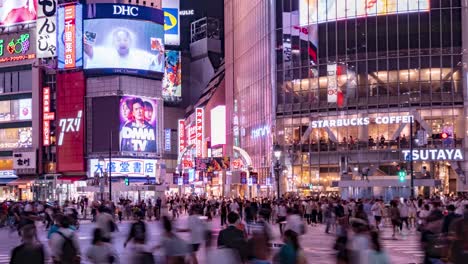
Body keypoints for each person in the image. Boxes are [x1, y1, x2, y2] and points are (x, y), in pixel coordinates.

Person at [84, 28, 164, 72]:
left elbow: (154, 63)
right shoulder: (105, 53)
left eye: (125, 40)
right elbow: (91, 53)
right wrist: (86, 42)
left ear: (130, 41)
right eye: (119, 40)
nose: (122, 42)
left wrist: (160, 54)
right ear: (114, 42)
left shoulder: (141, 55)